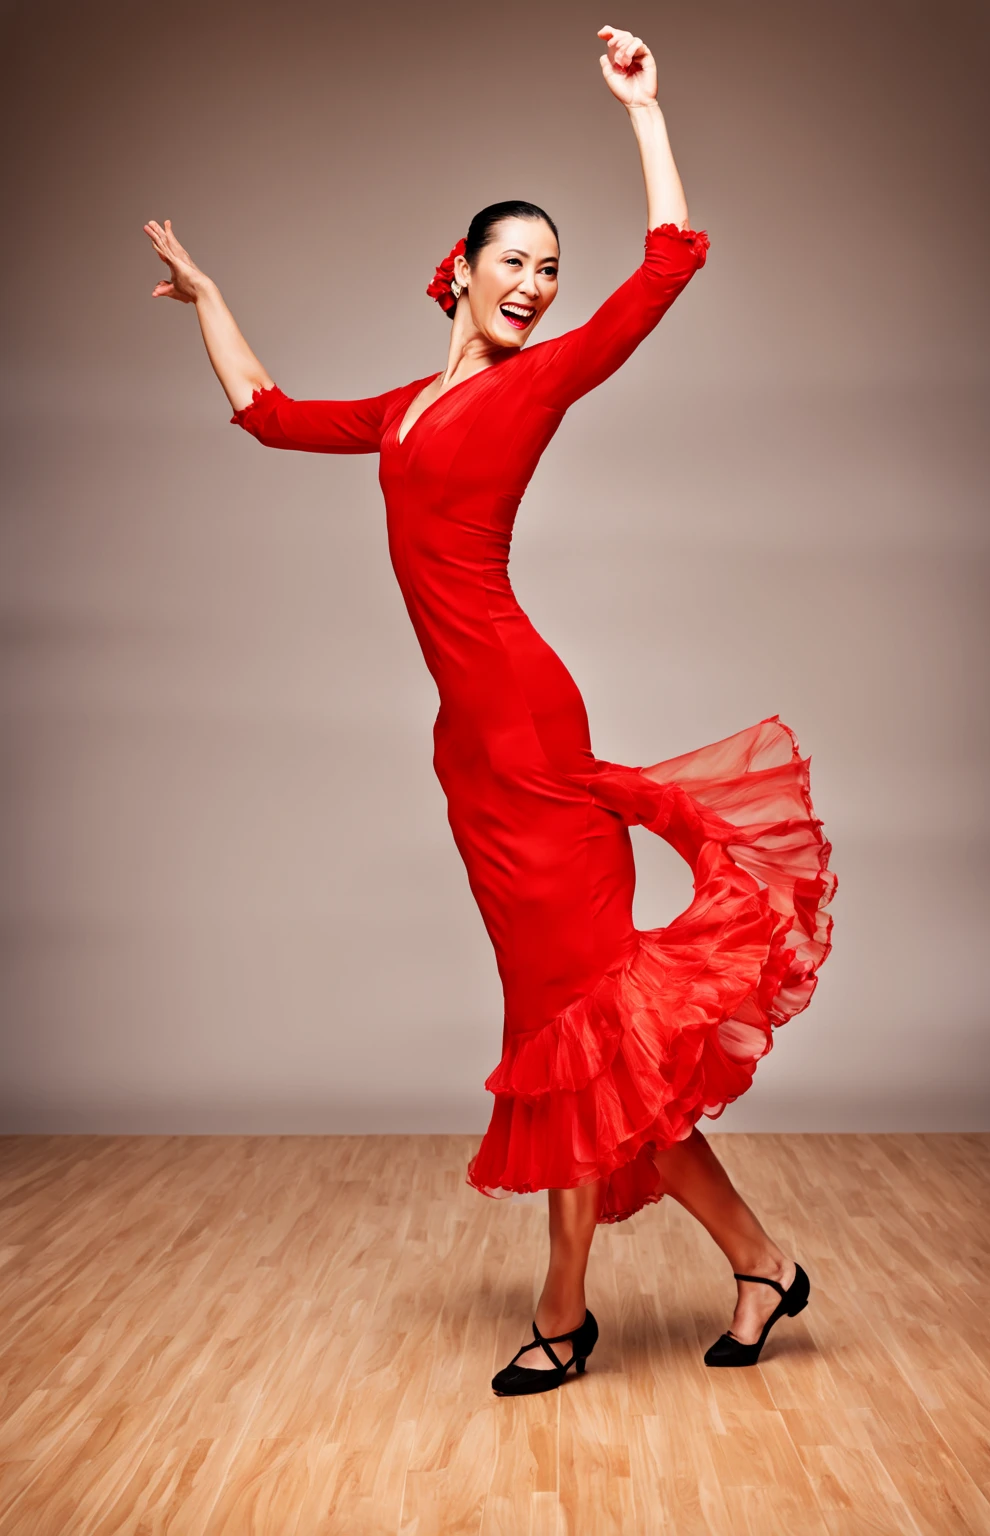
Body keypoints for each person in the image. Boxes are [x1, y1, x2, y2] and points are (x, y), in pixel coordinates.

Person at [144, 24, 836, 1396]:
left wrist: (643, 108)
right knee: (575, 1049)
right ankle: (758, 1261)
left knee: (580, 1043)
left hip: (533, 738)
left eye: (548, 272)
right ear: (457, 271)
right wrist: (211, 293)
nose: (534, 286)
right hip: (473, 767)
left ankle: (565, 1306)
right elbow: (269, 415)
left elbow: (668, 268)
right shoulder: (406, 410)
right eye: (513, 263)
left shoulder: (538, 384)